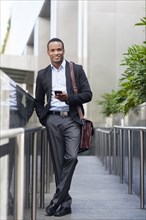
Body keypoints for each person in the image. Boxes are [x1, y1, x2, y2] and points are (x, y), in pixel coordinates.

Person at [35, 38, 92, 217]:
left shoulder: (76, 69)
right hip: (52, 120)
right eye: (53, 50)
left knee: (71, 157)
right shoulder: (42, 74)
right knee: (58, 162)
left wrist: (69, 98)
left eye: (59, 49)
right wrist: (45, 119)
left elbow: (88, 94)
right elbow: (38, 101)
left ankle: (56, 201)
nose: (56, 53)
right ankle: (65, 204)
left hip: (72, 120)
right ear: (48, 52)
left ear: (64, 50)